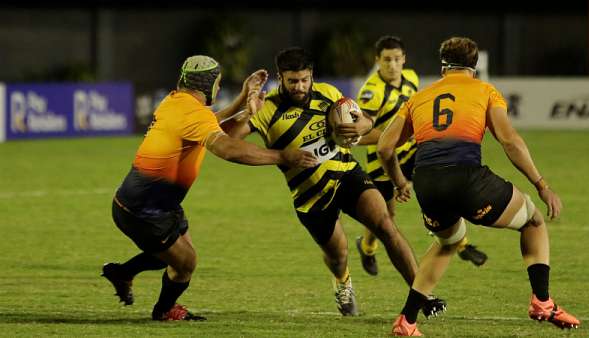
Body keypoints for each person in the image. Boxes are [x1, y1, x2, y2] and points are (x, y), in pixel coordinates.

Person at [377, 37, 580, 336]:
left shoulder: (419, 97)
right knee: (534, 222)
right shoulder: (486, 91)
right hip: (467, 180)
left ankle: (407, 321)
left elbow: (384, 147)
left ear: (443, 67)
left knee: (447, 242)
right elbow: (509, 140)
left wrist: (399, 182)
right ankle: (543, 301)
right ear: (474, 66)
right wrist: (541, 184)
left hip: (427, 182)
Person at [227, 47, 446, 317]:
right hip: (310, 196)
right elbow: (230, 144)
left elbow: (364, 119)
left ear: (311, 76)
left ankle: (421, 295)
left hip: (347, 174)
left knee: (386, 225)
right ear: (280, 77)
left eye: (304, 79)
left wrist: (359, 128)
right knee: (338, 255)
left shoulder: (328, 93)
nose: (300, 86)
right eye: (292, 81)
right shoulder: (266, 109)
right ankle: (343, 282)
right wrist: (273, 146)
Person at [101, 55, 318, 321]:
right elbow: (227, 148)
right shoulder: (191, 113)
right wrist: (282, 156)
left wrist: (244, 102)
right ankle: (164, 311)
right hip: (144, 211)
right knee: (185, 263)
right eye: (218, 82)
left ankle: (122, 273)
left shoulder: (175, 101)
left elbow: (208, 122)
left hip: (155, 204)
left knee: (169, 255)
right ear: (210, 83)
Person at [354, 36, 488, 276]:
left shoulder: (412, 79)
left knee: (441, 185)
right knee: (386, 214)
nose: (392, 65)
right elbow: (359, 136)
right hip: (382, 160)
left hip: (413, 152)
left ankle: (462, 244)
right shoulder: (371, 93)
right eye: (386, 60)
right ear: (377, 61)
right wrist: (394, 135)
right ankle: (367, 247)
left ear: (404, 59)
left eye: (396, 59)